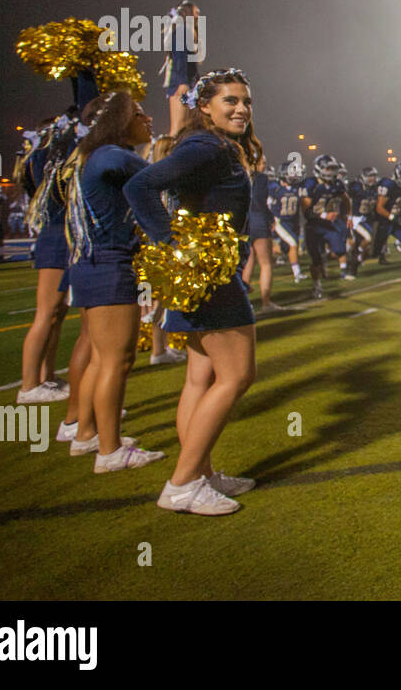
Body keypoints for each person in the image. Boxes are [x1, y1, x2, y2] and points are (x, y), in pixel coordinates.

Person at [125, 67, 261, 516]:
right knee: (238, 375)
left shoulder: (213, 143)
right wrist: (172, 243)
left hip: (203, 271)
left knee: (199, 379)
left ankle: (199, 472)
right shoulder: (206, 144)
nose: (241, 108)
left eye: (246, 101)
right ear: (205, 107)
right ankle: (182, 483)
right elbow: (140, 185)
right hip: (208, 274)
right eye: (230, 101)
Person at [64, 90, 167, 471]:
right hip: (109, 263)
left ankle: (87, 435)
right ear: (121, 121)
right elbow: (156, 178)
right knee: (116, 359)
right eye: (139, 113)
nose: (148, 120)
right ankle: (109, 451)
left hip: (96, 263)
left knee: (99, 358)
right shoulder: (110, 155)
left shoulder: (98, 155)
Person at [16, 116, 78, 404]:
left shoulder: (43, 158)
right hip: (55, 238)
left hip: (61, 236)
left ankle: (47, 375)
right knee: (46, 313)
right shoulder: (45, 159)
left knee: (57, 315)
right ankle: (29, 385)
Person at [299, 154, 351, 298]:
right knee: (315, 260)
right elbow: (306, 211)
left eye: (333, 168)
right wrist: (324, 215)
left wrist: (347, 215)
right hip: (313, 226)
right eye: (327, 168)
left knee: (340, 251)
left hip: (329, 226)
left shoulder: (337, 184)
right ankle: (317, 285)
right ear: (318, 169)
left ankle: (324, 258)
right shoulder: (309, 184)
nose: (330, 172)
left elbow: (346, 200)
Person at [160, 1, 203, 137]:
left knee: (187, 126)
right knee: (178, 127)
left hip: (187, 87)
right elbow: (180, 58)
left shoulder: (186, 32)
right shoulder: (181, 31)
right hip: (181, 87)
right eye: (196, 13)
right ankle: (170, 154)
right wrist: (182, 83)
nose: (198, 16)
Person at [241, 154, 278, 308]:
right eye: (262, 163)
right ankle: (266, 302)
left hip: (243, 221)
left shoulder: (238, 174)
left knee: (247, 264)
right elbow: (260, 202)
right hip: (258, 220)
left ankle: (242, 304)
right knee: (266, 264)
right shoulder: (262, 178)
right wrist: (270, 218)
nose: (264, 166)